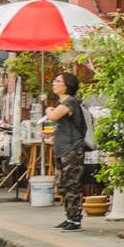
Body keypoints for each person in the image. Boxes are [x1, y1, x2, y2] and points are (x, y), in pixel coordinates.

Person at [45, 73, 87, 231]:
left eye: (58, 81)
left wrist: (49, 110)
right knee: (63, 184)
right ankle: (69, 216)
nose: (54, 83)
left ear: (67, 85)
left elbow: (54, 116)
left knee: (72, 184)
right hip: (62, 149)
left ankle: (75, 219)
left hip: (72, 150)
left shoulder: (70, 101)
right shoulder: (63, 102)